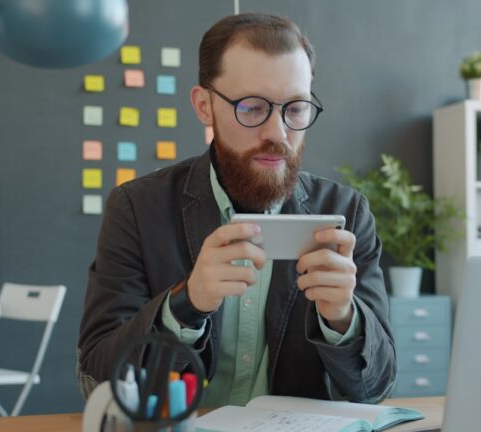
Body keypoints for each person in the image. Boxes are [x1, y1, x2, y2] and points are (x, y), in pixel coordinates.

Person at [78, 12, 396, 406]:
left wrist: (343, 319)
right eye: (251, 107)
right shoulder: (137, 209)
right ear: (204, 106)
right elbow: (96, 378)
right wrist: (185, 303)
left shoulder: (346, 213)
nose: (277, 133)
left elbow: (376, 388)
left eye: (296, 108)